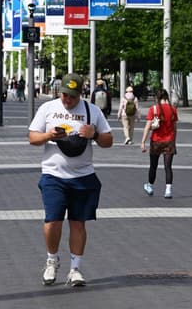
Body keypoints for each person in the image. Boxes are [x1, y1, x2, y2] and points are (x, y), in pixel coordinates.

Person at [28, 73, 113, 288]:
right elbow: (32, 138)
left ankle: (75, 269)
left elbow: (108, 141)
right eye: (65, 95)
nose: (67, 100)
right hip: (53, 175)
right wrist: (48, 136)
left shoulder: (92, 111)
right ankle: (51, 259)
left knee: (78, 223)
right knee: (52, 221)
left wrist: (93, 134)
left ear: (80, 94)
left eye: (72, 97)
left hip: (83, 176)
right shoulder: (48, 109)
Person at [140, 88, 178, 199]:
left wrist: (143, 142)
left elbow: (147, 127)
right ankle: (168, 190)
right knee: (168, 167)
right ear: (167, 97)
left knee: (153, 166)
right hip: (169, 141)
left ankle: (150, 186)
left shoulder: (154, 109)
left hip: (156, 141)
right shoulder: (173, 110)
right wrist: (173, 141)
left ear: (157, 98)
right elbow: (175, 128)